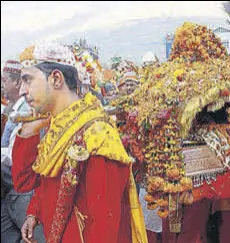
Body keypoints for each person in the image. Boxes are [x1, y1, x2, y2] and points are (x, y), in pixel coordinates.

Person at [11, 43, 147, 243]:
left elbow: (104, 227)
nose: (22, 90)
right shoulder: (57, 125)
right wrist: (34, 212)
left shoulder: (98, 135)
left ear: (56, 79)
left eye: (28, 80)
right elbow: (25, 182)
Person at [1, 60, 46, 243]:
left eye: (4, 81)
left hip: (21, 191)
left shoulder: (29, 110)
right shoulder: (15, 108)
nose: (2, 85)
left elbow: (18, 157)